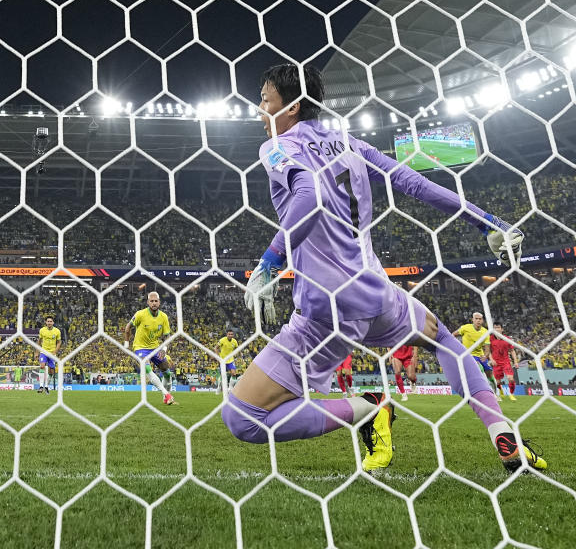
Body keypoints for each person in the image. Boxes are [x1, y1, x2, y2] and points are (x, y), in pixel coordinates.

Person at [224, 63, 545, 474]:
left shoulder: (277, 146)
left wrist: (270, 263)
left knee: (243, 417)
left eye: (265, 101)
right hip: (377, 294)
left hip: (328, 312)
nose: (258, 110)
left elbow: (308, 194)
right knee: (446, 341)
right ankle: (505, 436)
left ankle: (367, 408)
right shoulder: (349, 143)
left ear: (292, 108)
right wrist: (487, 222)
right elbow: (414, 183)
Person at [123, 292, 175, 405]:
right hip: (140, 347)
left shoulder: (164, 317)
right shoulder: (140, 314)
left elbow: (167, 336)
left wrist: (164, 349)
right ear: (148, 302)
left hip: (155, 348)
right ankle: (166, 394)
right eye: (151, 301)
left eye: (156, 301)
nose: (154, 303)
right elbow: (128, 327)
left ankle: (166, 396)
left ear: (159, 302)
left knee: (167, 373)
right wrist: (126, 343)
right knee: (147, 369)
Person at [455, 313, 500, 399]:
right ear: (472, 319)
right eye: (476, 319)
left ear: (482, 321)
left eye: (480, 319)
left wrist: (485, 356)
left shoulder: (485, 332)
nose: (478, 320)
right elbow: (453, 335)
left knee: (490, 375)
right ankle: (489, 393)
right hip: (468, 355)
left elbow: (487, 348)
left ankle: (496, 393)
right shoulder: (465, 328)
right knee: (480, 369)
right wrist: (455, 346)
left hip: (480, 355)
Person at [490, 322, 519, 401]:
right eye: (495, 328)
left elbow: (512, 351)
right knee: (498, 382)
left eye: (498, 327)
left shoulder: (507, 339)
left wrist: (515, 362)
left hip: (506, 362)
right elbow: (488, 350)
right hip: (496, 363)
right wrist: (491, 359)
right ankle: (501, 391)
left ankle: (511, 394)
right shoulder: (490, 339)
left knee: (511, 379)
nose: (496, 329)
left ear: (502, 329)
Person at [37, 316, 60, 394]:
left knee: (51, 371)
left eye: (51, 321)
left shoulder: (57, 331)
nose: (49, 323)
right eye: (48, 321)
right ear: (46, 322)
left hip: (52, 353)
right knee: (42, 366)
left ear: (53, 322)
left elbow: (59, 342)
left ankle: (46, 387)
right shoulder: (42, 330)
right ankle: (40, 386)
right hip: (44, 352)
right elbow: (39, 341)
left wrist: (55, 351)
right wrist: (37, 352)